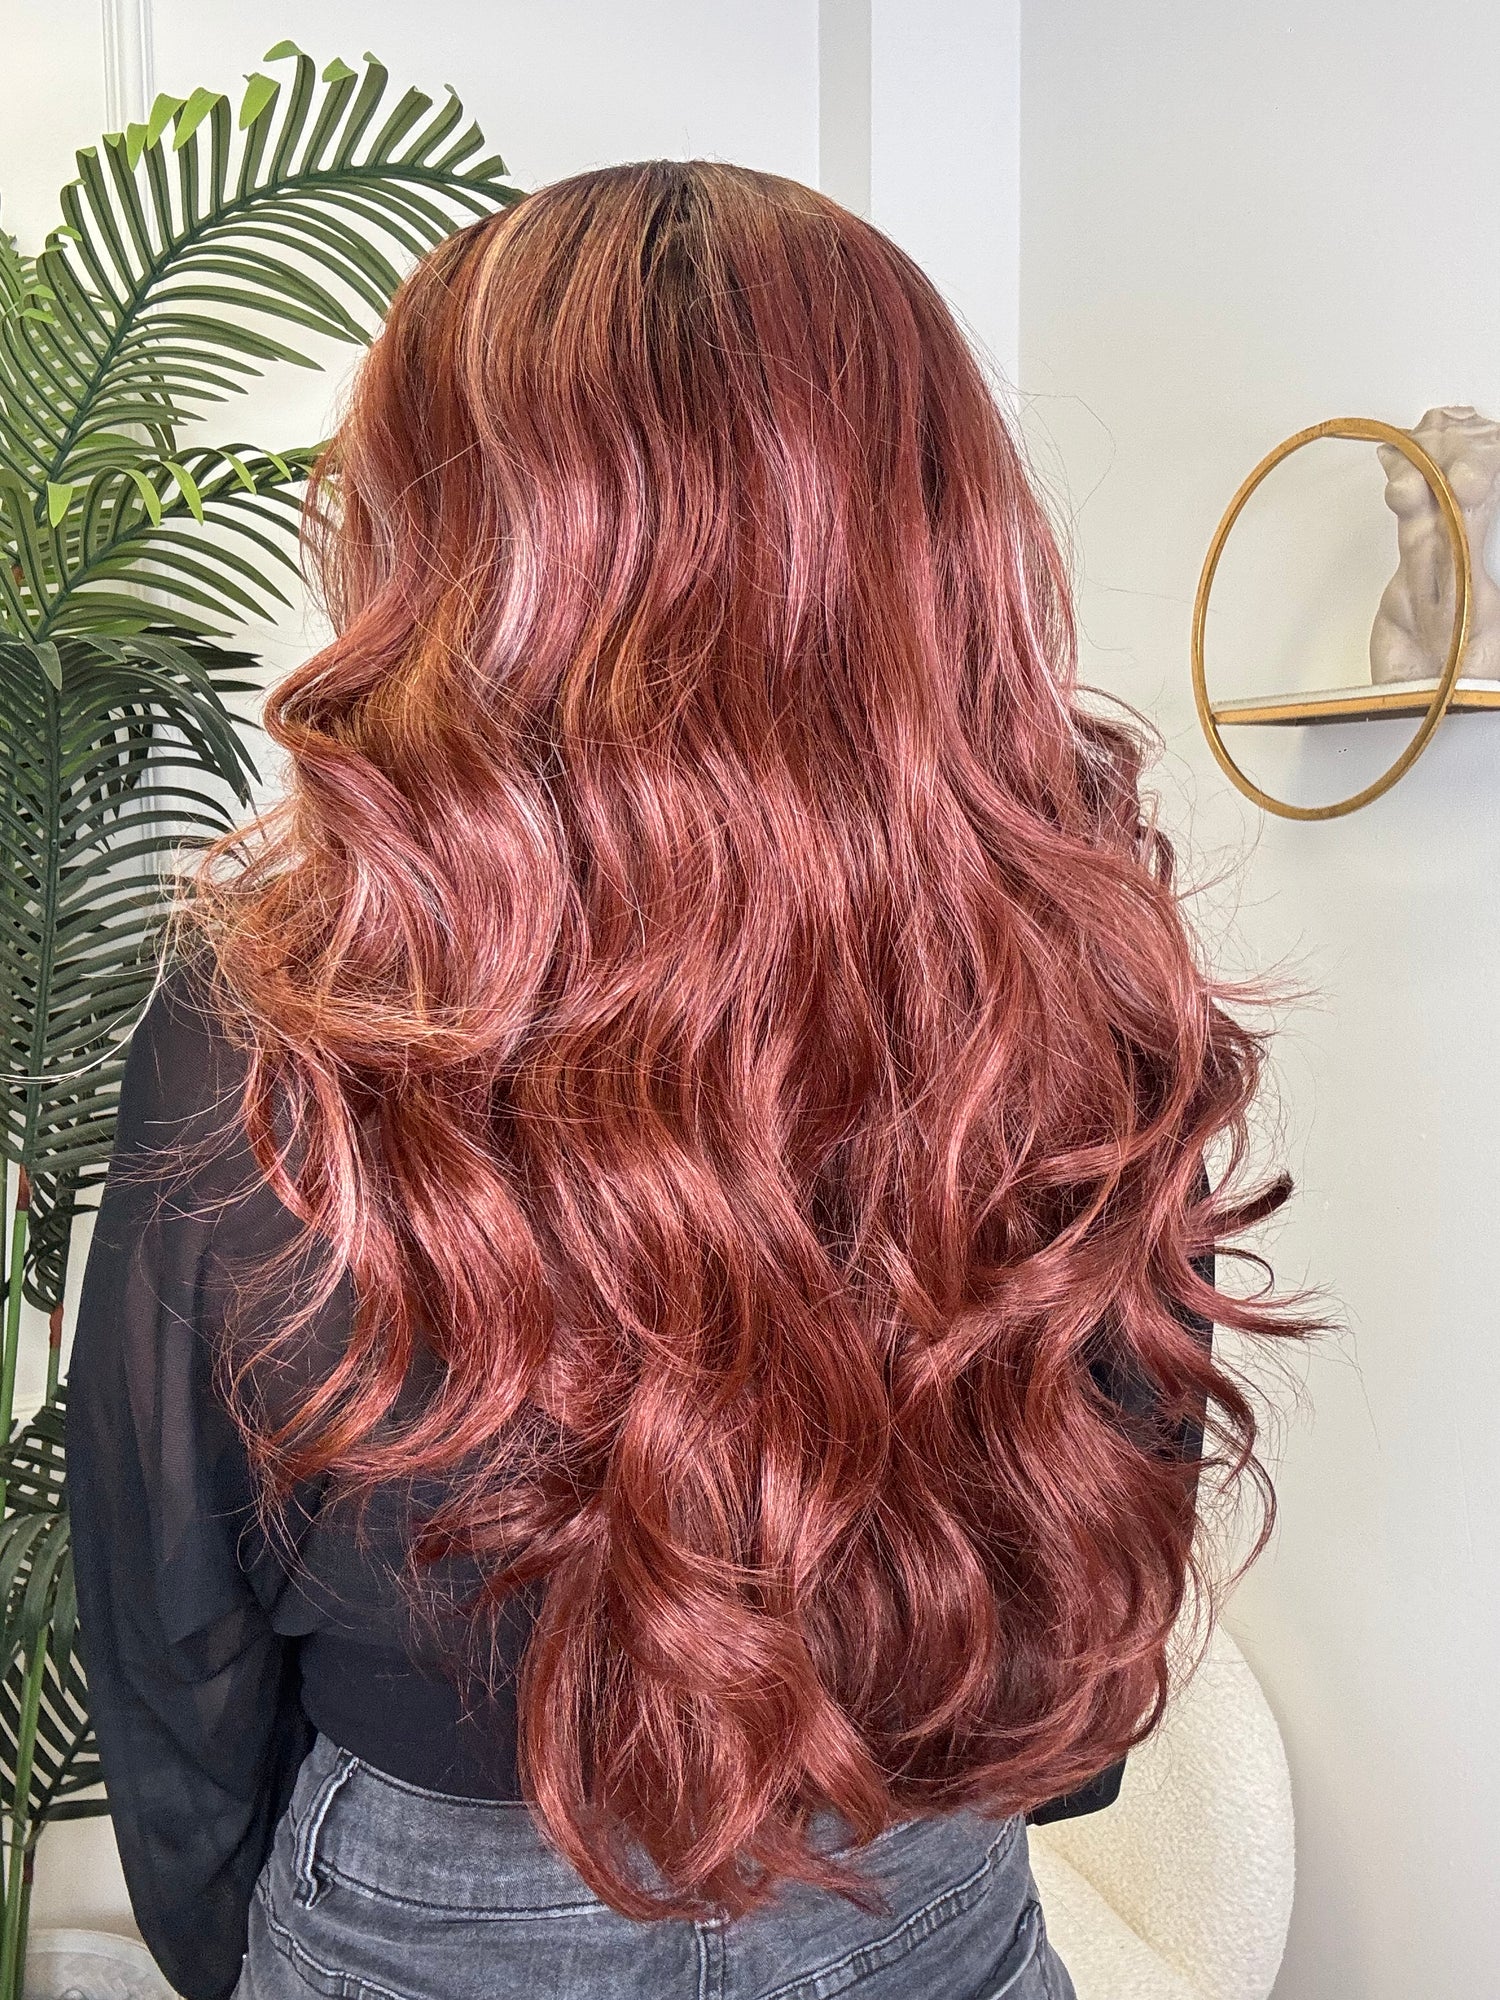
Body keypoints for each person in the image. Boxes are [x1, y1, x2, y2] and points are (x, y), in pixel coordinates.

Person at [67, 159, 1306, 2000]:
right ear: (930, 529)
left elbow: (172, 1581)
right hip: (920, 1867)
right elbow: (1123, 1432)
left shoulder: (277, 996)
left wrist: (227, 1927)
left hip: (442, 1902)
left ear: (449, 536)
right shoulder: (1074, 962)